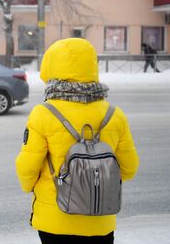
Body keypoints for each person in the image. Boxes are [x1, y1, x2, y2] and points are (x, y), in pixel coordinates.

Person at [15, 38, 139, 244]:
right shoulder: (114, 115)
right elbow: (129, 168)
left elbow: (27, 168)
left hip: (55, 218)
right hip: (100, 220)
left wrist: (33, 187)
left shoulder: (43, 114)